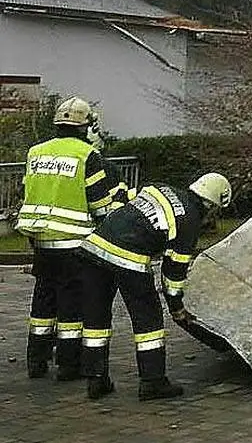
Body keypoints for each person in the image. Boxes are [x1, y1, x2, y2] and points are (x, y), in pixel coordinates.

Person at [79, 172, 232, 401]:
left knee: (96, 319)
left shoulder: (158, 186)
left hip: (93, 247)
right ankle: (153, 382)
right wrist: (177, 307)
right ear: (210, 204)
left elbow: (122, 202)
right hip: (129, 258)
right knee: (148, 321)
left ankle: (96, 379)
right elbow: (173, 273)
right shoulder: (188, 220)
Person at [14, 96, 115, 380]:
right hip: (74, 243)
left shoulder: (36, 152)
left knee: (43, 301)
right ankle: (69, 366)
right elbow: (99, 206)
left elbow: (28, 191)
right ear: (86, 126)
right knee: (71, 305)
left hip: (41, 240)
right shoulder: (87, 155)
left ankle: (36, 361)